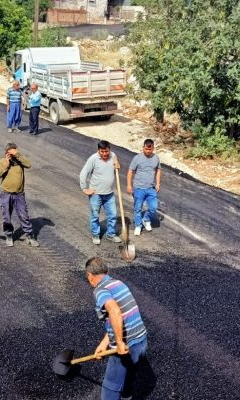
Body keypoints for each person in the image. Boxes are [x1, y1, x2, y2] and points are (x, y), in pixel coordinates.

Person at [85, 257, 148, 400]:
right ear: (106, 271)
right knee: (129, 376)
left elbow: (115, 312)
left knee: (110, 387)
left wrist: (119, 343)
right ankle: (126, 396)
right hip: (142, 341)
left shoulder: (100, 290)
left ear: (90, 276)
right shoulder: (118, 283)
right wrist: (103, 343)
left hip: (126, 347)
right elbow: (121, 316)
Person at [0, 143, 39, 247]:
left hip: (19, 194)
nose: (12, 153)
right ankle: (9, 235)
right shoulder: (3, 161)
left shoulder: (20, 161)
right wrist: (6, 162)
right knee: (7, 216)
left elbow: (28, 164)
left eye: (14, 150)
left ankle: (29, 236)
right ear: (6, 152)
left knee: (24, 216)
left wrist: (18, 155)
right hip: (6, 194)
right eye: (10, 151)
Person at [80, 140, 122, 245]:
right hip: (96, 194)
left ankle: (111, 234)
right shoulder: (93, 159)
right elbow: (83, 173)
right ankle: (95, 235)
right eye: (102, 151)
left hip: (109, 193)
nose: (104, 154)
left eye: (106, 151)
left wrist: (118, 166)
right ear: (98, 150)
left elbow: (116, 168)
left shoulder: (113, 156)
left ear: (109, 150)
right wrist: (85, 188)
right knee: (95, 215)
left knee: (112, 215)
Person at [126, 139, 161, 236]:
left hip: (151, 188)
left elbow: (158, 170)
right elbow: (130, 171)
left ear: (153, 148)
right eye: (146, 149)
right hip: (138, 188)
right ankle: (138, 225)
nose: (148, 151)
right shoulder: (137, 158)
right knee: (138, 208)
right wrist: (129, 185)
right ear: (143, 148)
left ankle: (146, 219)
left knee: (153, 207)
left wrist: (158, 183)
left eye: (150, 149)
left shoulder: (156, 158)